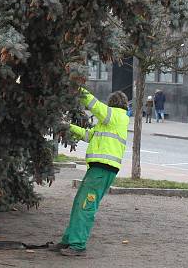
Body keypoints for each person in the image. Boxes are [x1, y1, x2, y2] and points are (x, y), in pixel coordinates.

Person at [52, 88, 129, 258]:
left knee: (85, 206)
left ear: (112, 104)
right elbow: (88, 135)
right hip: (98, 170)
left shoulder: (116, 116)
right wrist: (67, 126)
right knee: (79, 203)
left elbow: (95, 106)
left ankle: (77, 244)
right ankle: (69, 240)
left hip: (102, 169)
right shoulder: (109, 122)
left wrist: (78, 88)